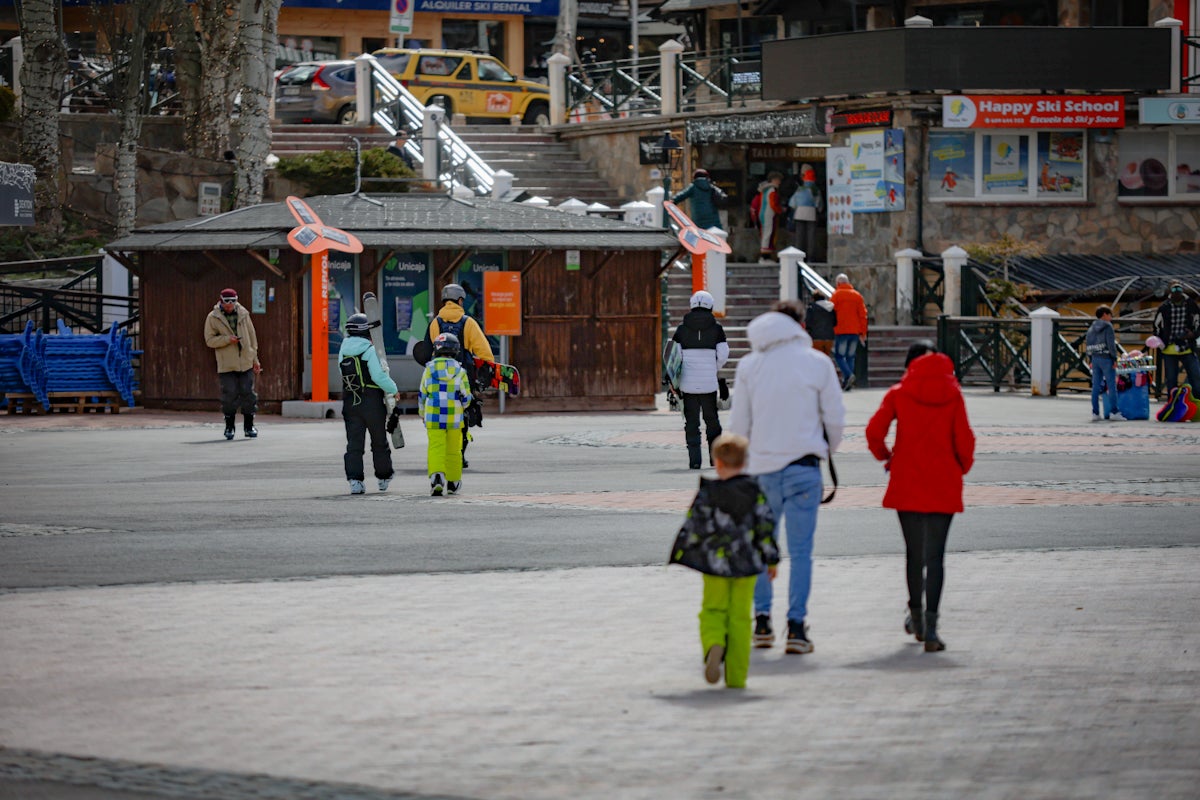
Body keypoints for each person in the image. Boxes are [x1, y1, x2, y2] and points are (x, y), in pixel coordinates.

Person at [728, 300, 845, 654]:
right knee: (801, 552)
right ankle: (796, 628)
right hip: (803, 468)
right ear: (800, 326)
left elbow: (738, 425)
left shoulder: (750, 365)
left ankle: (761, 621)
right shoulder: (817, 363)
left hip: (761, 469)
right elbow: (835, 419)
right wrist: (825, 450)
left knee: (763, 547)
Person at [865, 341, 975, 652]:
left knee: (914, 553)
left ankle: (915, 617)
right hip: (944, 481)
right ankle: (932, 629)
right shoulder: (954, 394)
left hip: (907, 480)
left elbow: (874, 431)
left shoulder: (899, 393)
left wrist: (887, 456)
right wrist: (960, 468)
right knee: (935, 556)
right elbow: (965, 440)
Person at [669, 433, 779, 688]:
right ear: (745, 463)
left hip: (715, 565)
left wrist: (687, 552)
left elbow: (693, 524)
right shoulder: (756, 492)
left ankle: (714, 644)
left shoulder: (708, 493)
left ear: (717, 463)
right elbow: (766, 527)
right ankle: (737, 677)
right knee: (740, 618)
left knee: (713, 609)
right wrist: (771, 560)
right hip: (747, 565)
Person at [427, 284, 495, 467]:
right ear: (460, 300)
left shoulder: (435, 322)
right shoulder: (468, 322)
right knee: (462, 415)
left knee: (440, 417)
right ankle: (459, 455)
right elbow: (484, 351)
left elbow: (428, 351)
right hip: (463, 376)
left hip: (438, 378)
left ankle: (440, 456)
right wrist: (487, 369)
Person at [338, 313, 401, 495]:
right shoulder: (370, 350)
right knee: (378, 441)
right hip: (372, 402)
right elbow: (378, 376)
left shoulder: (343, 349)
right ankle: (383, 478)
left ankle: (355, 482)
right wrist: (393, 389)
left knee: (354, 444)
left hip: (350, 402)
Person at [671, 290, 729, 469]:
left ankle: (695, 460)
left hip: (688, 384)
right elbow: (723, 354)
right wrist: (713, 368)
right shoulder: (717, 328)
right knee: (712, 422)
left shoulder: (681, 329)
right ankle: (715, 459)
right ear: (710, 305)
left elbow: (675, 356)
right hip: (709, 384)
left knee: (692, 422)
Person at [419, 332, 473, 497]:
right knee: (454, 450)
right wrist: (464, 405)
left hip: (433, 417)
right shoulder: (460, 371)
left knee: (436, 447)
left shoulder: (428, 370)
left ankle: (437, 477)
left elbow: (422, 394)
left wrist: (422, 414)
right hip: (455, 419)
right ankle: (453, 482)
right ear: (456, 351)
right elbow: (466, 397)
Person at [203, 288, 261, 440]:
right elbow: (209, 340)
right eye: (227, 301)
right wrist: (227, 339)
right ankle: (230, 426)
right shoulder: (213, 317)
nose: (230, 305)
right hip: (227, 364)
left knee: (248, 394)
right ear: (221, 301)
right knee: (229, 395)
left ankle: (249, 426)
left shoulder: (244, 314)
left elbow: (252, 338)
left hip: (246, 362)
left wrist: (255, 360)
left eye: (233, 301)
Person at [1152, 283, 1200, 398]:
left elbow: (1198, 322)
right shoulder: (1164, 307)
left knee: (1196, 376)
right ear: (1170, 292)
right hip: (1169, 348)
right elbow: (1156, 326)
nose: (1177, 293)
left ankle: (1197, 402)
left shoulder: (1191, 305)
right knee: (1171, 379)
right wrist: (1161, 342)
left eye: (1179, 290)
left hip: (1187, 347)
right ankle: (1172, 404)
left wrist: (1193, 334)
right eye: (1174, 290)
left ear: (1182, 292)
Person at [830, 273, 868, 390]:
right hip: (854, 331)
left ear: (838, 283)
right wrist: (863, 332)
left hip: (841, 331)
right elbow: (863, 315)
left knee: (839, 356)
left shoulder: (836, 295)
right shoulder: (857, 296)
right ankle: (848, 382)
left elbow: (831, 312)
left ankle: (848, 375)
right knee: (850, 357)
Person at [1086, 305, 1122, 421]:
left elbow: (1088, 344)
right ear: (1105, 314)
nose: (1111, 317)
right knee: (1111, 386)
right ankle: (1114, 412)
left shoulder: (1091, 327)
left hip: (1095, 358)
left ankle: (1095, 413)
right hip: (1106, 358)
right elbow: (1111, 344)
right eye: (1110, 314)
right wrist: (1114, 358)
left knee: (1095, 387)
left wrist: (1090, 359)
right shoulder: (1108, 327)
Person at [788, 164, 822, 258]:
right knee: (811, 236)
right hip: (811, 213)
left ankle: (799, 256)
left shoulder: (800, 189)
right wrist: (819, 210)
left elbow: (792, 203)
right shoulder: (815, 190)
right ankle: (811, 257)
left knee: (799, 236)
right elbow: (819, 204)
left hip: (799, 213)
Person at [756, 171, 785, 264]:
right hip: (769, 214)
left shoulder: (764, 191)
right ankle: (764, 257)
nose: (779, 182)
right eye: (778, 180)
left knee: (765, 234)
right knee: (768, 234)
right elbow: (773, 204)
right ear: (774, 180)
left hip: (763, 213)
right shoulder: (772, 190)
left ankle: (765, 256)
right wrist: (780, 210)